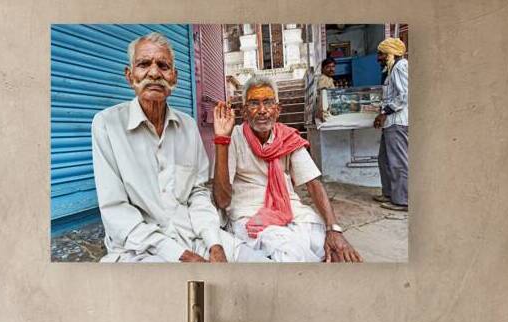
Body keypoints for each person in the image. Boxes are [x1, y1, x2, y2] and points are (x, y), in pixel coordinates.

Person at [91, 32, 264, 263]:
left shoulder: (188, 126)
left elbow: (198, 192)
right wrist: (180, 255)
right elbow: (116, 210)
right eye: (143, 64)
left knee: (262, 269)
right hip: (140, 248)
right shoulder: (107, 125)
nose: (154, 73)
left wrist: (214, 243)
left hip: (194, 235)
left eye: (163, 66)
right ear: (129, 75)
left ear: (174, 77)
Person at [212, 76, 362, 263]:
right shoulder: (232, 137)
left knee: (333, 250)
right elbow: (222, 200)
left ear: (278, 109)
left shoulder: (286, 137)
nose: (262, 111)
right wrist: (221, 141)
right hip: (250, 215)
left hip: (291, 211)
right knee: (290, 255)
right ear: (244, 111)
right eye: (253, 104)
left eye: (268, 102)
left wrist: (333, 229)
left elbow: (313, 183)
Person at [373, 37, 409, 212]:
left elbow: (404, 96)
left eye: (381, 54)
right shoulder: (391, 69)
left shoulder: (400, 67)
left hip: (397, 122)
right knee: (385, 160)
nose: (378, 58)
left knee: (398, 162)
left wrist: (385, 112)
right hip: (390, 123)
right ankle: (389, 193)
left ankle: (403, 200)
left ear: (390, 53)